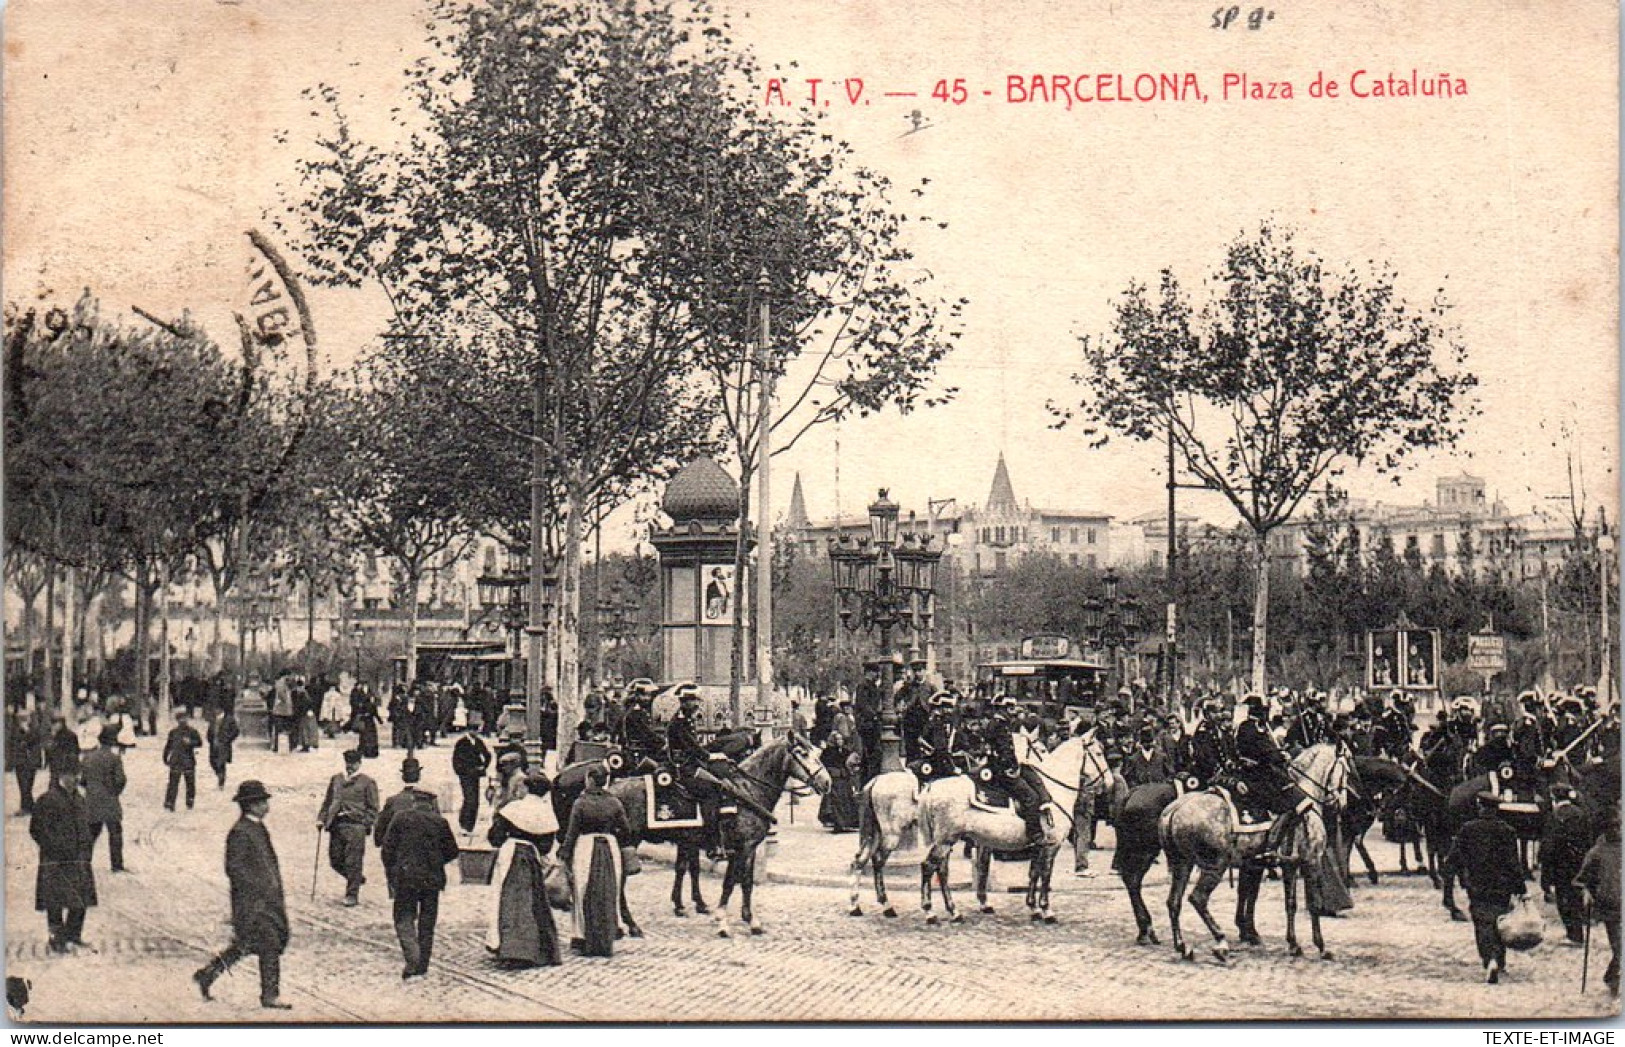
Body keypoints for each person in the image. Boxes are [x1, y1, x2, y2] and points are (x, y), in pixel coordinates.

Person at [192, 781, 291, 1009]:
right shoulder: (240, 832)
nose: (267, 806)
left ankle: (207, 974)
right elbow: (234, 868)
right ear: (252, 805)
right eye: (263, 802)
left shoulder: (256, 828)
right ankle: (270, 995)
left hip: (266, 900)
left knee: (246, 945)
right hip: (253, 902)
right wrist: (259, 889)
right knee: (268, 944)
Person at [380, 766, 460, 979]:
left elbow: (387, 849)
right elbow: (452, 852)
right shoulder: (440, 822)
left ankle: (412, 957)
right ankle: (422, 963)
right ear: (432, 802)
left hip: (405, 877)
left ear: (415, 800)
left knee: (403, 918)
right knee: (427, 921)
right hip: (432, 879)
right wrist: (435, 862)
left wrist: (393, 870)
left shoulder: (400, 818)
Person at [1450, 790, 1529, 984]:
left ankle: (1489, 959)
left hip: (1477, 884)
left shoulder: (1468, 829)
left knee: (1482, 922)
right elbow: (1513, 862)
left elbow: (1454, 858)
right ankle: (1499, 960)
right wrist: (1521, 888)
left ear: (1480, 807)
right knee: (1499, 920)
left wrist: (1458, 876)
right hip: (1502, 886)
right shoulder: (1507, 831)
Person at [486, 770, 563, 967]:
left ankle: (509, 947)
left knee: (507, 898)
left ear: (527, 788)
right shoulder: (547, 813)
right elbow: (546, 846)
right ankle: (536, 948)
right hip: (531, 857)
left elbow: (495, 837)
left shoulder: (513, 809)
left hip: (511, 853)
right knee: (533, 902)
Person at [559, 765, 633, 956]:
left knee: (581, 889)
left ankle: (581, 935)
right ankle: (608, 931)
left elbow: (572, 832)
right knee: (611, 890)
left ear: (590, 779)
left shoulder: (580, 803)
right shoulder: (614, 803)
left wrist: (564, 854)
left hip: (585, 846)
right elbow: (625, 830)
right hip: (609, 846)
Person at [31, 763, 96, 954]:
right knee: (55, 900)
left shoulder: (80, 799)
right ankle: (57, 938)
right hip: (56, 858)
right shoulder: (47, 799)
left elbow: (87, 826)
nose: (75, 779)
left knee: (80, 898)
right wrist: (53, 846)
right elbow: (36, 829)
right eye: (71, 775)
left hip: (78, 858)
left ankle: (73, 935)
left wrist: (87, 847)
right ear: (61, 775)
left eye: (77, 775)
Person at [1233, 694, 1307, 861]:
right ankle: (1272, 844)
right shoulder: (1249, 728)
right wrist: (1281, 756)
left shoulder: (1257, 727)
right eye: (1263, 712)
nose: (1265, 715)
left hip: (1264, 771)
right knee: (1286, 805)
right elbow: (1262, 751)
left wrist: (1279, 753)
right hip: (1257, 774)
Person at [983, 695, 1048, 849]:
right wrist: (1012, 768)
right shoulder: (999, 725)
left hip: (999, 766)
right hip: (1002, 770)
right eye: (1010, 709)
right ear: (1003, 709)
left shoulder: (998, 723)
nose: (1012, 713)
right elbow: (1004, 751)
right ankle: (1035, 834)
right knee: (1030, 797)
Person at [317, 750, 379, 905]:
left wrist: (365, 823)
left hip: (355, 826)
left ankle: (352, 894)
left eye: (353, 763)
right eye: (347, 763)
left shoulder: (367, 782)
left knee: (353, 861)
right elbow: (328, 801)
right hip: (336, 825)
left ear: (359, 763)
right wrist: (321, 819)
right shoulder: (336, 779)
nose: (350, 766)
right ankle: (356, 878)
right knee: (335, 860)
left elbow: (373, 808)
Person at [1539, 783, 1594, 945]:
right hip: (1579, 862)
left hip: (1560, 865)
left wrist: (1545, 873)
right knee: (1576, 896)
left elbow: (1548, 846)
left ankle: (1574, 935)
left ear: (1554, 797)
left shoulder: (1554, 816)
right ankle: (1577, 933)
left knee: (1564, 900)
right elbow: (1589, 840)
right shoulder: (1581, 814)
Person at [1575, 809, 1622, 996]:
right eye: (1612, 828)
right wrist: (1586, 891)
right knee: (1619, 947)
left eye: (1618, 827)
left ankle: (1612, 976)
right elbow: (1582, 879)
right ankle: (1614, 978)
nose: (1617, 831)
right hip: (1610, 906)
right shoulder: (1597, 853)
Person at [80, 724, 128, 874]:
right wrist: (114, 792)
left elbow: (82, 780)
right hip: (110, 801)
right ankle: (117, 865)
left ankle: (84, 862)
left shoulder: (88, 758)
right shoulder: (114, 759)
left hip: (92, 801)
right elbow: (120, 780)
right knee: (115, 833)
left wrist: (91, 790)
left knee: (91, 833)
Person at [375, 756, 441, 850]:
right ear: (419, 776)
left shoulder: (392, 801)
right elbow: (439, 829)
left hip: (400, 854)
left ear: (403, 777)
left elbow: (379, 836)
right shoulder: (430, 799)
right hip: (425, 852)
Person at [452, 725, 492, 834]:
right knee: (469, 798)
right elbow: (456, 760)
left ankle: (470, 826)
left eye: (476, 730)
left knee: (475, 800)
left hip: (475, 775)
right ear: (468, 730)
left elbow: (488, 755)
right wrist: (461, 771)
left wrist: (483, 766)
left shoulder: (478, 742)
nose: (475, 732)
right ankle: (465, 824)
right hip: (465, 775)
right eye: (473, 730)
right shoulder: (461, 743)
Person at [817, 730, 860, 833]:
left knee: (847, 799)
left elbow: (852, 760)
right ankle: (838, 824)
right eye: (838, 739)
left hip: (844, 778)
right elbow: (824, 764)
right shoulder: (828, 752)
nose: (840, 741)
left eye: (841, 739)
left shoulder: (845, 751)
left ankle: (847, 822)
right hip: (835, 779)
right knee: (836, 801)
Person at [162, 711, 203, 812]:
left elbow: (199, 743)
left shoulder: (193, 731)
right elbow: (168, 746)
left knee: (190, 782)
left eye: (184, 718)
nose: (183, 721)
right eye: (180, 719)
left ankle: (190, 800)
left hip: (188, 760)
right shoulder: (173, 732)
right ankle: (170, 802)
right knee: (173, 783)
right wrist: (165, 757)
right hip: (176, 760)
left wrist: (190, 743)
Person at [8, 704, 44, 816]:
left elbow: (35, 740)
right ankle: (27, 805)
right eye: (20, 718)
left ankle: (27, 806)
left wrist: (26, 731)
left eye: (25, 718)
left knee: (27, 784)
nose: (22, 720)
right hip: (20, 761)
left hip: (30, 761)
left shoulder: (34, 729)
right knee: (22, 784)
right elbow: (12, 743)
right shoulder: (15, 730)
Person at [206, 707, 239, 790]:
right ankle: (219, 775)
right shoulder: (213, 719)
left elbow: (236, 731)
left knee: (221, 763)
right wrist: (209, 739)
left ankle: (221, 782)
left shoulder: (229, 720)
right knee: (212, 761)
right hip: (213, 744)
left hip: (224, 745)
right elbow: (210, 731)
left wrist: (228, 739)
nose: (215, 711)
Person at [351, 684, 382, 760]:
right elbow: (375, 713)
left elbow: (374, 712)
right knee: (368, 737)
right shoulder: (368, 705)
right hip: (368, 722)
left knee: (367, 737)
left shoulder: (366, 705)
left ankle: (367, 751)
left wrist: (379, 720)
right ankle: (369, 752)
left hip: (367, 722)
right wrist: (379, 720)